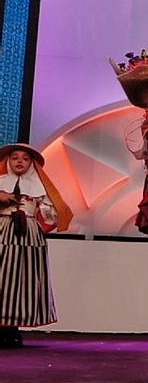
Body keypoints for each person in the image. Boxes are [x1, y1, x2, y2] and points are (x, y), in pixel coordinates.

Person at [0, 143, 73, 348]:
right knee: (2, 278)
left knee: (24, 278)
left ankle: (13, 327)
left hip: (28, 234)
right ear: (8, 161)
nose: (19, 161)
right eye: (15, 157)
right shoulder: (1, 182)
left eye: (24, 158)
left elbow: (51, 213)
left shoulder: (38, 186)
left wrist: (47, 211)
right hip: (2, 228)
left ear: (31, 163)